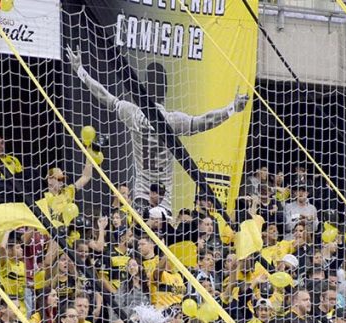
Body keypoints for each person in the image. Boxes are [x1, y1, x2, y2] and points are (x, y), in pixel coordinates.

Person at [66, 47, 249, 213]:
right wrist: (231, 108)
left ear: (144, 88)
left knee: (137, 235)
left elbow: (104, 96)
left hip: (141, 196)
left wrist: (81, 71)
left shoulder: (133, 114)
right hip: (164, 201)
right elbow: (205, 121)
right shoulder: (172, 120)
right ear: (166, 90)